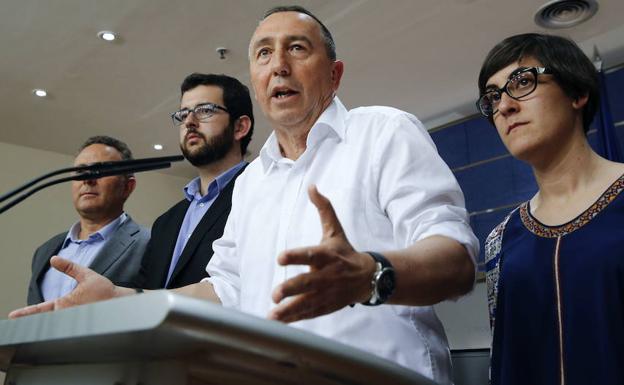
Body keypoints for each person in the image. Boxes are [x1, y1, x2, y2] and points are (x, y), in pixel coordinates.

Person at [11, 6, 477, 384]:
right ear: (256, 84)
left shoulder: (383, 131)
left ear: (334, 74)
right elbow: (225, 289)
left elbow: (455, 260)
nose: (279, 65)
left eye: (297, 48)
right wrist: (123, 300)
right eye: (263, 54)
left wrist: (371, 274)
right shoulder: (253, 180)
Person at [478, 33, 624, 384]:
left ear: (578, 93)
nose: (504, 106)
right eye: (493, 97)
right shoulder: (500, 240)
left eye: (523, 82)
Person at [137, 73, 253, 289]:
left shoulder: (260, 195)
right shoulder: (165, 223)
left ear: (240, 127)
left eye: (205, 110)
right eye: (183, 114)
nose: (189, 121)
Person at [27, 135, 150, 305]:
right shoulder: (44, 252)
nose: (87, 179)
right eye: (80, 171)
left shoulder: (151, 243)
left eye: (102, 170)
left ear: (127, 187)